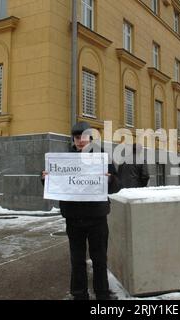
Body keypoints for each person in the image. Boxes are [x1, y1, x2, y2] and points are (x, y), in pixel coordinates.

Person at [42, 121, 119, 300]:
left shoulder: (102, 157)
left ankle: (102, 294)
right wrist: (45, 177)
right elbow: (56, 182)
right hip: (74, 218)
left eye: (84, 137)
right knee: (77, 260)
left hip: (97, 218)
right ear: (74, 139)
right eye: (77, 137)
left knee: (99, 259)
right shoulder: (64, 158)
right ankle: (79, 295)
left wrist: (109, 180)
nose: (81, 141)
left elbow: (116, 185)